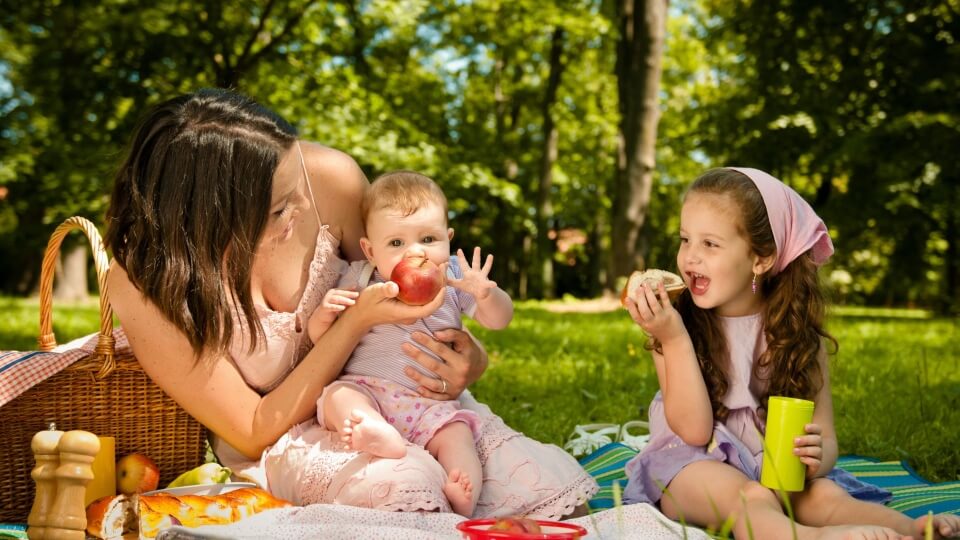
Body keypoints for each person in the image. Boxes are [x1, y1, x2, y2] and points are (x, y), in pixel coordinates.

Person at [104, 88, 596, 517]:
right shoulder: (145, 280)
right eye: (279, 209)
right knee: (408, 494)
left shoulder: (329, 179)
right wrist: (351, 324)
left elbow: (407, 292)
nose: (301, 209)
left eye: (296, 188)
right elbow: (252, 429)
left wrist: (472, 359)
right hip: (295, 439)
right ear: (208, 221)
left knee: (546, 493)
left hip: (409, 400)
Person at [621, 167, 960, 539]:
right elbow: (694, 431)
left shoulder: (796, 335)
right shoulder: (672, 324)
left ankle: (915, 529)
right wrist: (673, 339)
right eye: (685, 239)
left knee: (826, 496)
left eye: (710, 244)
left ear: (761, 259)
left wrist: (817, 458)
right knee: (750, 497)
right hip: (690, 467)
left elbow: (826, 437)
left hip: (772, 467)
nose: (690, 257)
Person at [307, 170, 513, 516]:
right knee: (339, 396)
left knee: (458, 434)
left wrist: (486, 295)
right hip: (369, 389)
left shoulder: (453, 279)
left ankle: (464, 489)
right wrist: (324, 315)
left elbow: (499, 320)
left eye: (429, 239)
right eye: (396, 243)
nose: (415, 252)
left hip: (429, 404)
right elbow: (321, 341)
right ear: (370, 251)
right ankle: (374, 430)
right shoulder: (360, 278)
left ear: (448, 239)